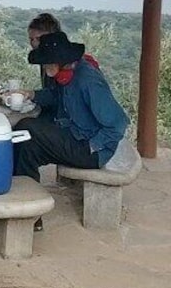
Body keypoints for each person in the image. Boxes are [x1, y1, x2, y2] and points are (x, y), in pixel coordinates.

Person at [12, 31, 128, 231]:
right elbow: (57, 97)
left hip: (90, 151)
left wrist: (93, 146)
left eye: (47, 62)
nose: (44, 66)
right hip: (74, 136)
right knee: (26, 143)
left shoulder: (87, 80)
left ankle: (25, 209)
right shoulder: (66, 76)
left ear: (61, 61)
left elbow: (118, 123)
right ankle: (29, 213)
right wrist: (31, 94)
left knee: (26, 127)